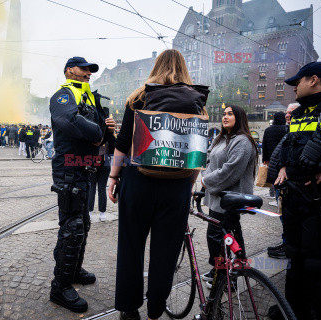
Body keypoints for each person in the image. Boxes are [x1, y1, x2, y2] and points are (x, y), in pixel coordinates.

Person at [108, 49, 207, 320]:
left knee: (131, 245)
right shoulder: (197, 101)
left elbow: (122, 141)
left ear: (156, 66)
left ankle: (129, 310)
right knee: (165, 251)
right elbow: (197, 155)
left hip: (138, 181)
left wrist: (114, 177)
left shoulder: (139, 96)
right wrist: (188, 184)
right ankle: (155, 311)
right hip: (176, 187)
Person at [274, 61, 321, 319]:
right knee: (295, 259)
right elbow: (290, 146)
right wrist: (283, 167)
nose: (294, 88)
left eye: (297, 82)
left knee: (319, 264)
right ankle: (292, 311)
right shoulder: (300, 112)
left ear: (313, 80)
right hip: (296, 201)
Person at [49, 56, 115, 313]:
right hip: (68, 168)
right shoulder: (63, 95)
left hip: (86, 167)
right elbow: (68, 120)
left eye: (90, 70)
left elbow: (103, 136)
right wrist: (100, 132)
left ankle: (73, 270)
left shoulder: (89, 98)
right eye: (83, 68)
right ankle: (60, 287)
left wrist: (108, 128)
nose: (88, 72)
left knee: (82, 223)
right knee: (73, 226)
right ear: (69, 70)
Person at [201, 105, 258, 289]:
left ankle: (227, 277)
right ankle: (221, 271)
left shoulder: (242, 141)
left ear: (239, 117)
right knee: (226, 236)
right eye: (224, 114)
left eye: (230, 114)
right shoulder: (221, 139)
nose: (225, 117)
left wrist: (206, 181)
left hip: (230, 199)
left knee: (219, 237)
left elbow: (231, 170)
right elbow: (209, 160)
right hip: (218, 197)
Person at [266, 103, 299, 259]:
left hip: (287, 182)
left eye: (291, 112)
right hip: (280, 181)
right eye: (286, 112)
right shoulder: (288, 130)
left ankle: (289, 245)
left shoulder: (297, 131)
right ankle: (286, 243)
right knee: (283, 215)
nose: (287, 115)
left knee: (286, 216)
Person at [88, 134, 114, 221]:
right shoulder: (109, 135)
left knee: (91, 188)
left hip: (92, 161)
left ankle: (89, 212)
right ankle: (102, 213)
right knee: (102, 188)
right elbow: (113, 148)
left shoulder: (91, 132)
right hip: (105, 162)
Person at [262, 112, 286, 200]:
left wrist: (265, 159)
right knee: (282, 176)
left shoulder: (268, 130)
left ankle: (272, 193)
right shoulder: (286, 128)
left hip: (270, 157)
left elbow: (264, 145)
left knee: (272, 175)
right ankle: (279, 195)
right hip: (282, 157)